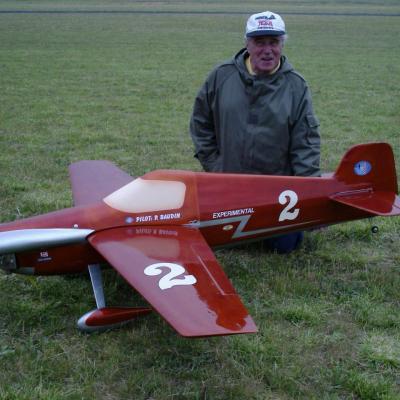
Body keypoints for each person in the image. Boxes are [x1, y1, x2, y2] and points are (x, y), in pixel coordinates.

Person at [190, 10, 321, 253]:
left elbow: (306, 143)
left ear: (282, 44)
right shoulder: (222, 76)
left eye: (274, 42)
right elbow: (200, 122)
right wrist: (216, 166)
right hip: (229, 185)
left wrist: (310, 196)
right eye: (260, 42)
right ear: (247, 43)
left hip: (275, 191)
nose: (267, 50)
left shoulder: (296, 86)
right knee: (222, 242)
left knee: (284, 247)